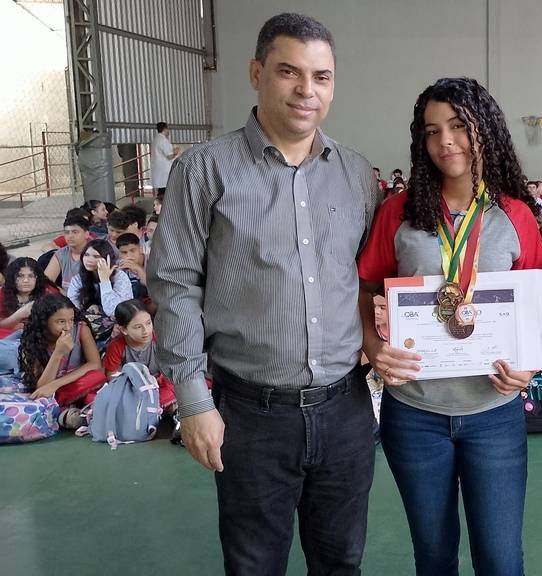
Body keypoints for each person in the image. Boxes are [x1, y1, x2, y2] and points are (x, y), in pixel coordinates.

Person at [148, 13, 381, 575]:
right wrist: (193, 401)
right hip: (251, 416)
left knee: (341, 562)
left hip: (346, 409)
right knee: (254, 565)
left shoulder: (355, 173)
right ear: (256, 73)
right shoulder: (204, 170)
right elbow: (175, 285)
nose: (307, 90)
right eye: (288, 72)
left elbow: (365, 278)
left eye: (321, 76)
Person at [357, 76, 542, 576]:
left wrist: (528, 368)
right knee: (434, 557)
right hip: (414, 414)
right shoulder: (398, 212)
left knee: (501, 560)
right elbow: (365, 286)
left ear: (486, 129)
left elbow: (538, 303)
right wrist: (374, 345)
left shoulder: (515, 215)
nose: (445, 141)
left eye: (459, 125)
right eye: (431, 131)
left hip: (494, 415)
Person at [21, 293, 105, 408]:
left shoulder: (81, 329)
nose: (68, 327)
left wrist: (56, 384)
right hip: (50, 389)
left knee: (97, 376)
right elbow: (41, 387)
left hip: (73, 381)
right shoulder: (33, 340)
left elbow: (95, 363)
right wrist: (58, 354)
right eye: (61, 322)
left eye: (71, 320)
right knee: (42, 396)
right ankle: (66, 407)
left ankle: (64, 405)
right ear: (44, 321)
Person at [103, 299, 176, 413]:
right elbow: (112, 376)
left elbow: (171, 365)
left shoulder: (159, 338)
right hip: (132, 388)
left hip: (158, 384)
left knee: (173, 389)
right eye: (138, 327)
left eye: (148, 323)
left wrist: (159, 379)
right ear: (124, 329)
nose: (146, 330)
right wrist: (135, 384)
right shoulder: (116, 346)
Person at [66, 239, 134, 320]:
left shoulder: (120, 277)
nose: (89, 260)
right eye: (86, 255)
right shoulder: (79, 278)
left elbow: (113, 311)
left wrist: (105, 281)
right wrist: (88, 308)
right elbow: (71, 306)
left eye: (96, 256)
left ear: (107, 259)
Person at [44, 214, 90, 292]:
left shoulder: (96, 254)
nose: (70, 236)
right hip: (65, 298)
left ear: (86, 234)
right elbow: (46, 282)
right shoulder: (61, 254)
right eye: (67, 232)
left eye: (75, 232)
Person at [150, 122, 179, 196]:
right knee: (166, 193)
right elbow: (169, 156)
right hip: (164, 172)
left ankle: (160, 202)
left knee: (161, 192)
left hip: (159, 171)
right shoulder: (163, 140)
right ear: (165, 129)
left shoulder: (156, 139)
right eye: (168, 129)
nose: (169, 131)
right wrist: (175, 152)